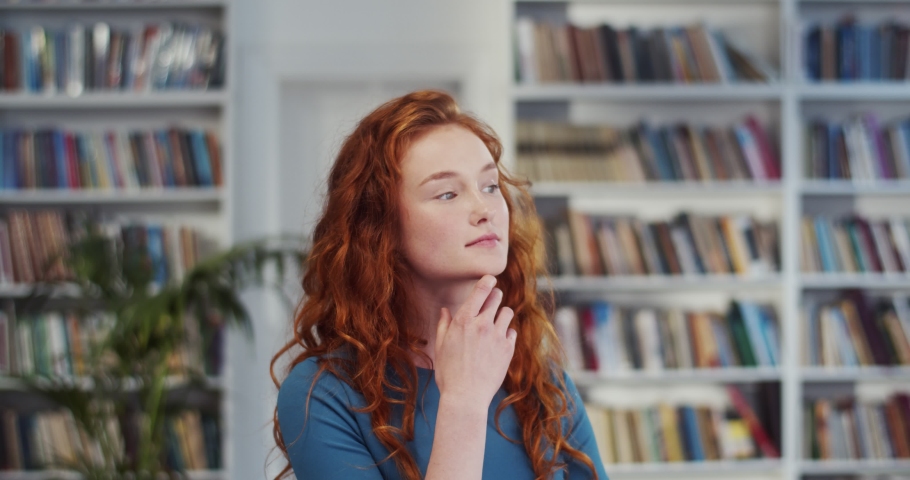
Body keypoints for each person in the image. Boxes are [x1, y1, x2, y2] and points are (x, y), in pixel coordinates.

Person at [271, 90, 608, 480]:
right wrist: (463, 405)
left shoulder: (541, 381)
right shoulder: (322, 395)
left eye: (490, 186)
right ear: (380, 227)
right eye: (447, 193)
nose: (485, 210)